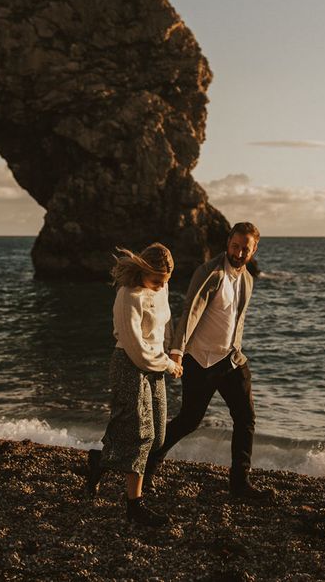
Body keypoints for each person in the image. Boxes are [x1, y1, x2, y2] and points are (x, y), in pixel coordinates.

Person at [145, 222, 268, 499]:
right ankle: (148, 464)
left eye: (244, 248)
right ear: (228, 242)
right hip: (199, 360)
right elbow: (190, 310)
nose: (238, 253)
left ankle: (239, 483)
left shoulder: (248, 278)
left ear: (254, 249)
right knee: (189, 421)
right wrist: (177, 350)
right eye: (234, 246)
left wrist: (235, 348)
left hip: (231, 359)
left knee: (246, 418)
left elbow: (236, 320)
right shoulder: (210, 272)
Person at [85, 243, 183, 527]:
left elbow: (164, 327)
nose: (160, 287)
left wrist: (172, 353)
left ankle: (99, 462)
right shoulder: (128, 296)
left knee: (159, 436)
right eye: (156, 281)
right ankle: (134, 506)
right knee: (142, 436)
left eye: (165, 282)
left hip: (156, 365)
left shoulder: (160, 288)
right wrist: (167, 364)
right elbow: (136, 350)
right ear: (143, 270)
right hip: (129, 365)